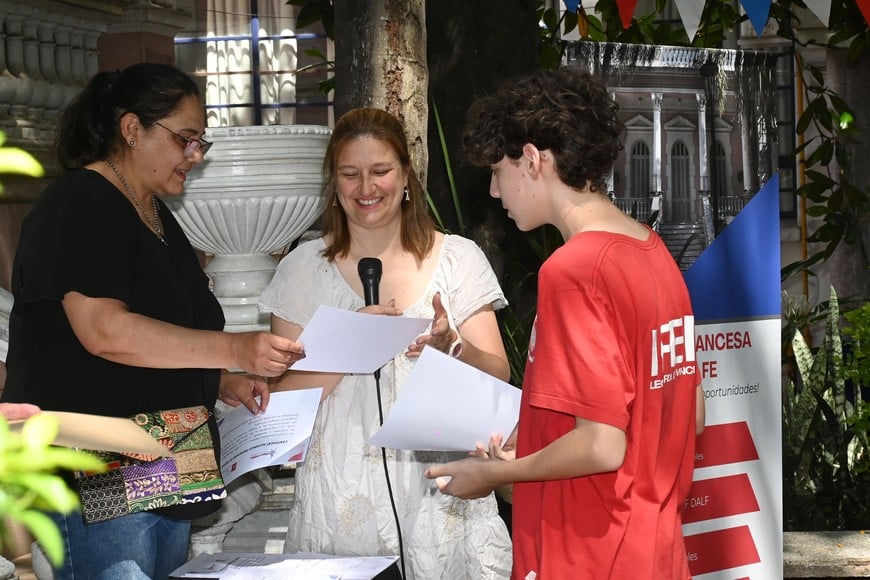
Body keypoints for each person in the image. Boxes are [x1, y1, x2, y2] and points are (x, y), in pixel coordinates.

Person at [0, 62, 305, 580]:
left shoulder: (157, 215)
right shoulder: (79, 202)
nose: (195, 155)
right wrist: (231, 350)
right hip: (99, 455)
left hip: (171, 449)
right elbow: (105, 332)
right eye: (185, 139)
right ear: (131, 129)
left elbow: (166, 336)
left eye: (200, 142)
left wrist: (221, 379)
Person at [425, 68, 706, 580]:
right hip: (655, 550)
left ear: (532, 160)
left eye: (497, 170)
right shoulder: (653, 251)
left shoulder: (575, 270)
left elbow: (602, 444)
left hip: (590, 554)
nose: (493, 191)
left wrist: (497, 472)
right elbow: (690, 413)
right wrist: (534, 449)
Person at [259, 107, 513, 579]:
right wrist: (350, 344)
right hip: (341, 499)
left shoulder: (457, 259)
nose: (366, 188)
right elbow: (279, 405)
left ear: (406, 176)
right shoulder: (302, 269)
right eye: (350, 174)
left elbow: (499, 374)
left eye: (380, 171)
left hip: (442, 495)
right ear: (333, 183)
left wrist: (452, 347)